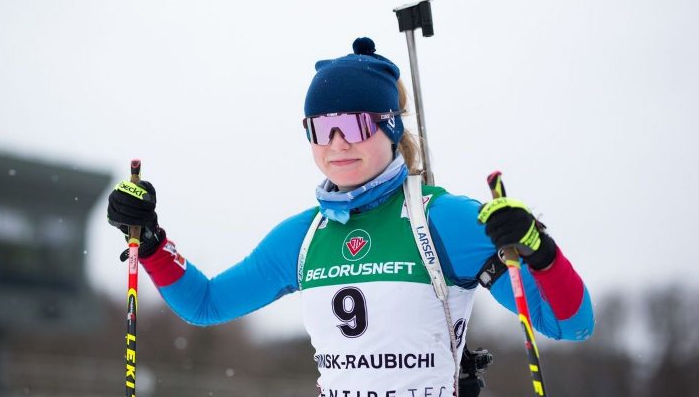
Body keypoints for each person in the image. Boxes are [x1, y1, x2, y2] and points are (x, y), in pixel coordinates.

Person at [107, 37, 594, 397]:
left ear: (389, 125)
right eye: (321, 127)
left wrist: (540, 250)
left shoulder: (444, 220)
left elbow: (570, 324)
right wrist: (150, 243)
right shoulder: (302, 237)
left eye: (354, 125)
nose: (336, 143)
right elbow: (206, 304)